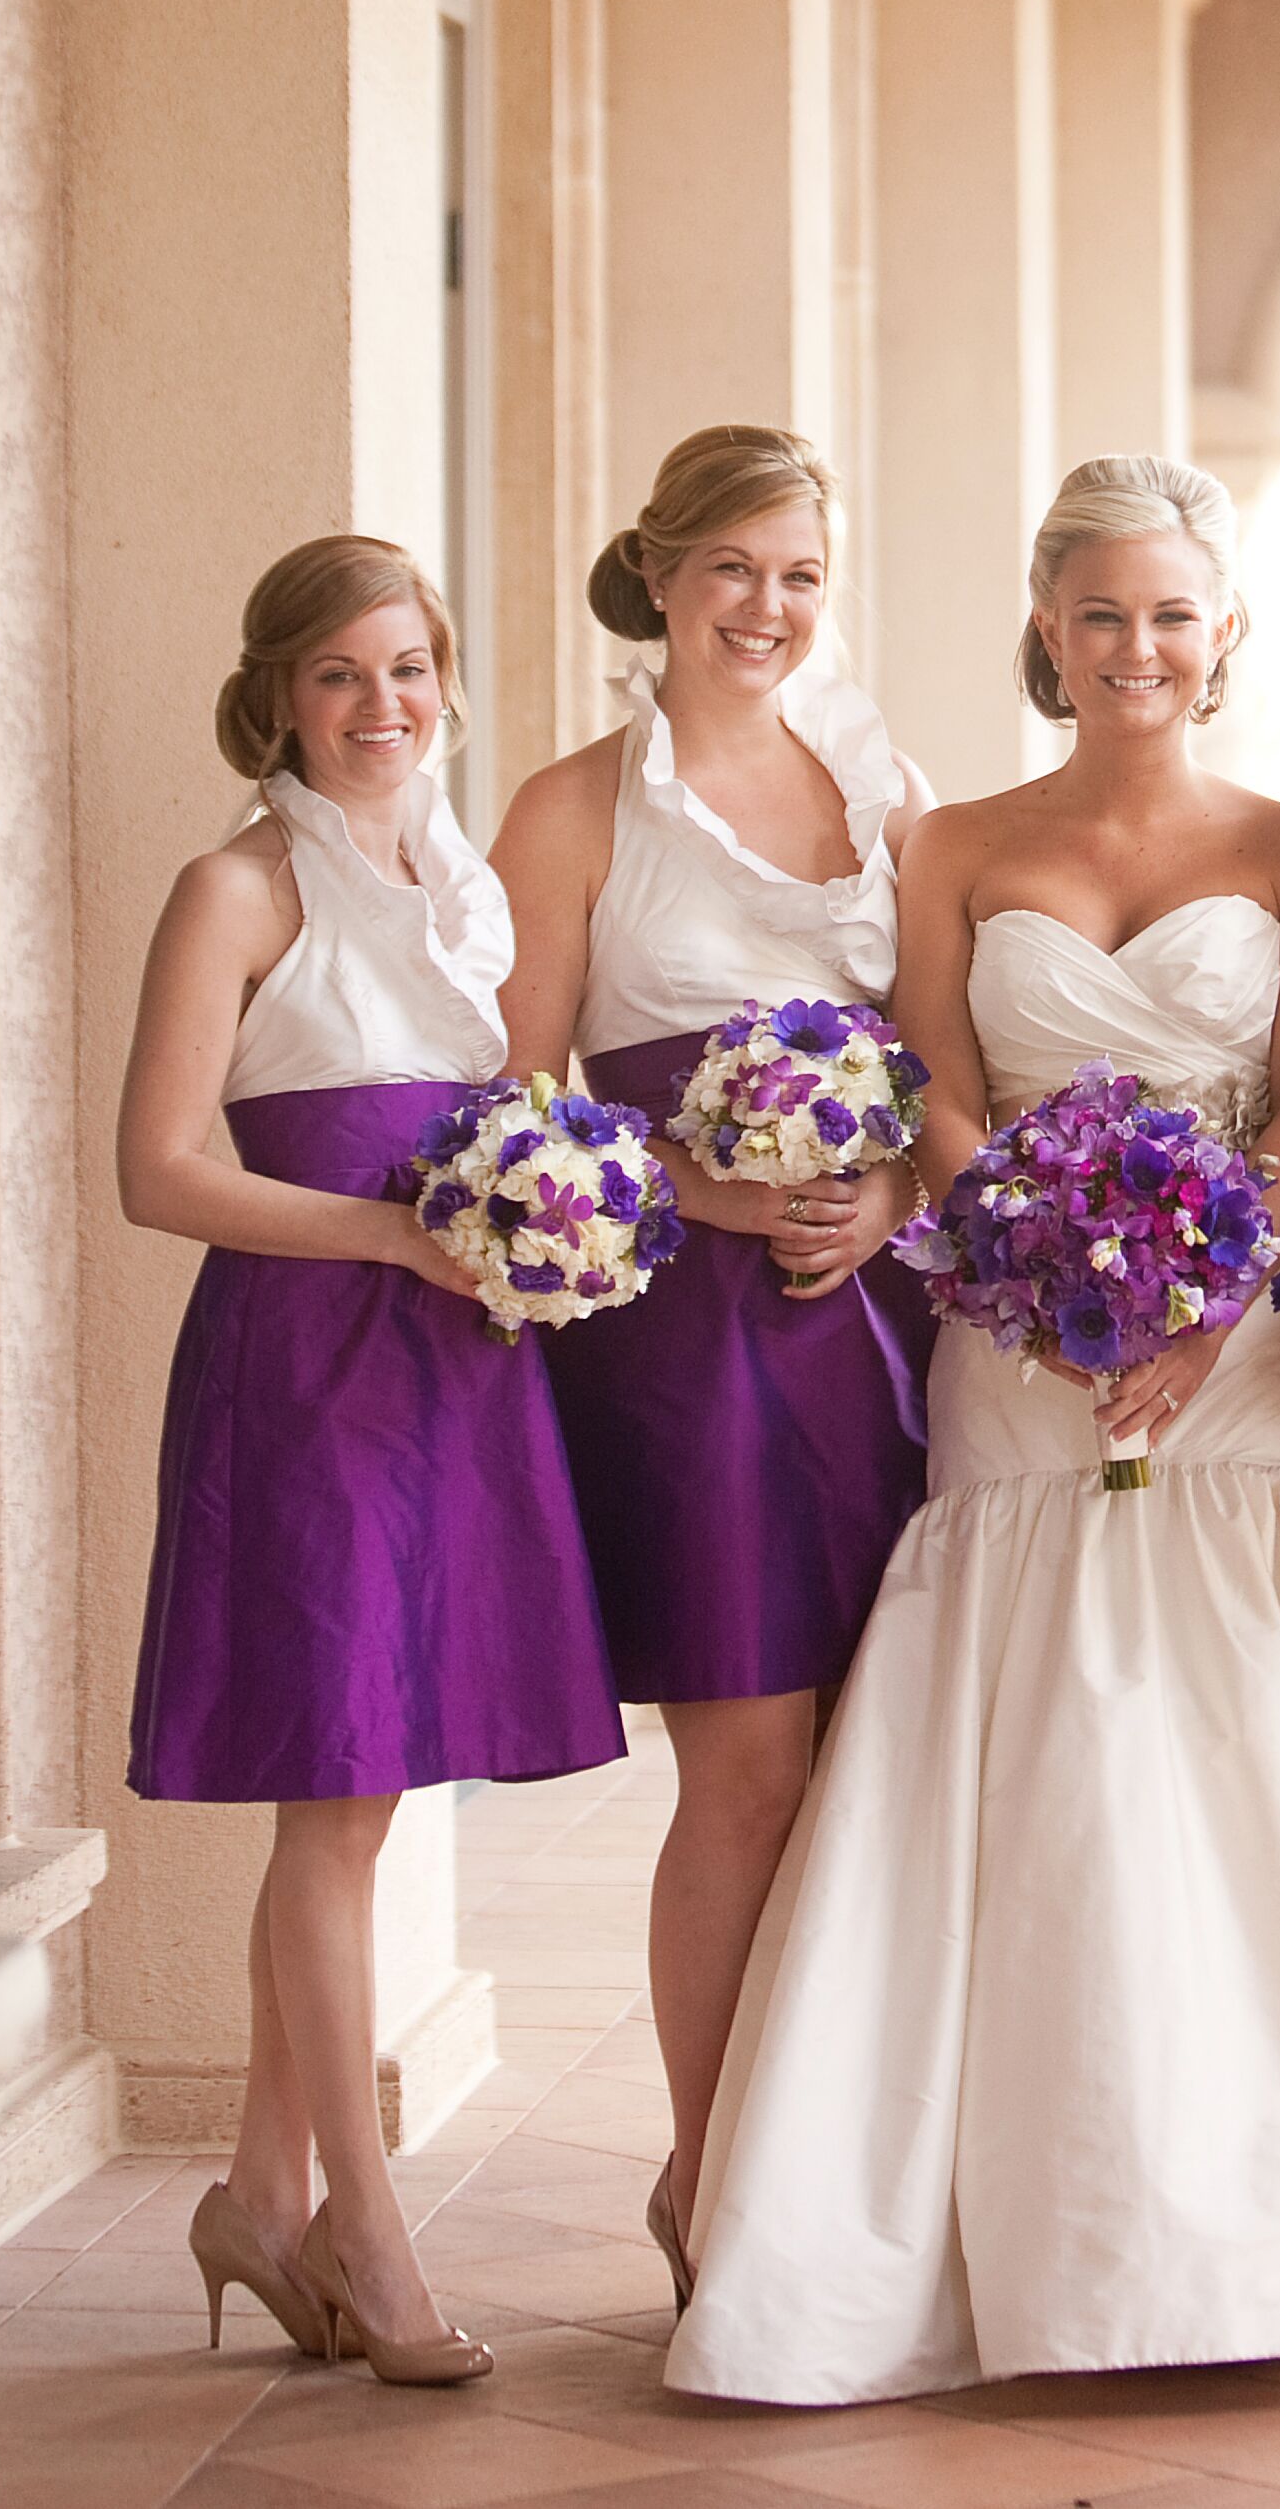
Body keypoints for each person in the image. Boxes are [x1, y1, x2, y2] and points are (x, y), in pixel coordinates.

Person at [665, 456, 1280, 2407]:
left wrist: (1217, 1291)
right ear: (1046, 627)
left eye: (1171, 612)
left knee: (1251, 1730)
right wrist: (1043, 1273)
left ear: (1222, 632)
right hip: (1014, 1338)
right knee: (1038, 1736)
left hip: (1243, 1350)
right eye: (1100, 612)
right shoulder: (952, 839)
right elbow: (940, 1080)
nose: (1136, 646)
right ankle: (1006, 2227)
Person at [122, 537, 621, 2389]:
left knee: (375, 1785)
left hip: (455, 1367)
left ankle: (265, 2197)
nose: (383, 703)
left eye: (409, 667)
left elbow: (507, 1110)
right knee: (330, 1790)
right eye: (341, 674)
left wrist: (556, 1219)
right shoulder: (238, 885)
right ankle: (374, 2231)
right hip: (309, 1367)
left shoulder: (468, 883)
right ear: (279, 692)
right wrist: (394, 1239)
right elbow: (159, 1167)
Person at [490, 425, 931, 2290]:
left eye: (802, 573)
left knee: (870, 1758)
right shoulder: (572, 806)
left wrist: (893, 1182)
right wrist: (709, 1194)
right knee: (744, 1758)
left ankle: (835, 2168)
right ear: (659, 572)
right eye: (735, 566)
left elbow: (951, 1048)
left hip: (883, 1318)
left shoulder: (885, 779)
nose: (768, 606)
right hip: (686, 1334)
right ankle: (706, 2179)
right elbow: (503, 1107)